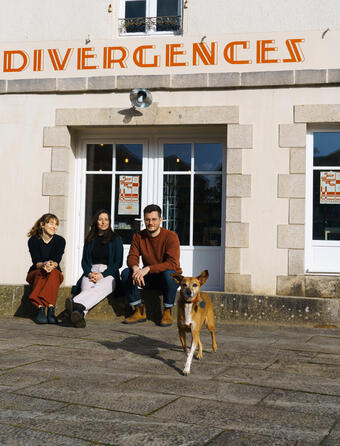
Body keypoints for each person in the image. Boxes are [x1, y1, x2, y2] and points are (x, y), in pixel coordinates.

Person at [121, 204, 182, 327]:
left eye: (154, 219)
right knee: (126, 273)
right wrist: (136, 268)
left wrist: (148, 268)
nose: (150, 223)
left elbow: (172, 263)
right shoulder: (139, 236)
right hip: (150, 279)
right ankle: (139, 311)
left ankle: (167, 311)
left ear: (160, 220)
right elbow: (132, 256)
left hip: (168, 278)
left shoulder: (171, 236)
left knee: (169, 273)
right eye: (147, 219)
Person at [66, 209, 123, 328]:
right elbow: (84, 261)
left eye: (106, 219)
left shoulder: (116, 239)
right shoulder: (90, 239)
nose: (103, 222)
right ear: (96, 222)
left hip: (109, 273)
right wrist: (89, 273)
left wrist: (103, 274)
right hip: (91, 271)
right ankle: (79, 315)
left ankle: (74, 302)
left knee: (98, 288)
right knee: (87, 289)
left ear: (109, 222)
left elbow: (118, 262)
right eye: (100, 219)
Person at [26, 213, 65, 324]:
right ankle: (42, 308)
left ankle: (49, 310)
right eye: (51, 223)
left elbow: (57, 259)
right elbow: (36, 261)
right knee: (42, 273)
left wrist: (51, 265)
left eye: (56, 224)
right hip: (36, 272)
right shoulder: (33, 240)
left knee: (53, 274)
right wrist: (44, 265)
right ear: (42, 225)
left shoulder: (60, 241)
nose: (54, 227)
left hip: (54, 272)